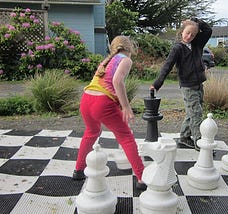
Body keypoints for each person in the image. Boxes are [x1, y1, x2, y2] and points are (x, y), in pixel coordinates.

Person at [73, 35, 146, 190]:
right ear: (130, 48)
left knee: (91, 132)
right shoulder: (125, 60)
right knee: (126, 137)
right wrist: (125, 106)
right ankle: (141, 178)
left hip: (86, 100)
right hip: (102, 103)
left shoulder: (106, 61)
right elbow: (117, 81)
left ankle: (78, 170)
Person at [151, 18, 212, 151]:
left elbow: (208, 30)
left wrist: (195, 21)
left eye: (193, 34)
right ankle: (199, 142)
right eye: (187, 33)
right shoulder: (177, 48)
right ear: (182, 32)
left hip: (199, 84)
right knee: (196, 112)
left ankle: (184, 137)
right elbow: (167, 66)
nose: (189, 36)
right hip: (187, 86)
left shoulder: (197, 44)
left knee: (192, 112)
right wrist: (157, 83)